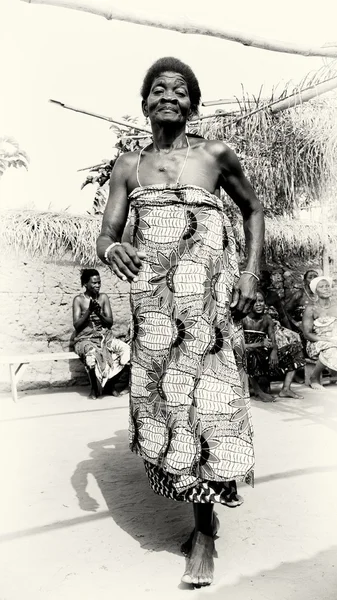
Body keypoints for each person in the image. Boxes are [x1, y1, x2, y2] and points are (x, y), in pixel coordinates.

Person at [96, 57, 264, 587]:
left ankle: (205, 538)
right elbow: (106, 234)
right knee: (171, 407)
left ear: (194, 103)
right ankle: (202, 518)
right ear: (144, 102)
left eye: (181, 90)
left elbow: (254, 210)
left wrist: (249, 274)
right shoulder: (128, 165)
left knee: (210, 405)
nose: (169, 96)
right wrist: (112, 248)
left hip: (208, 311)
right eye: (158, 89)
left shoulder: (214, 155)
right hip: (154, 314)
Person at [73, 269, 130, 399]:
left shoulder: (103, 298)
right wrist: (89, 311)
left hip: (105, 337)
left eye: (99, 282)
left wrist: (99, 313)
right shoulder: (79, 300)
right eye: (94, 283)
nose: (98, 285)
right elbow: (76, 325)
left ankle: (112, 385)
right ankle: (94, 388)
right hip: (85, 339)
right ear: (85, 284)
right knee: (92, 355)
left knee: (126, 350)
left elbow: (109, 322)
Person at [243, 291, 305, 401]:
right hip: (250, 353)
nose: (258, 304)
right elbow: (239, 346)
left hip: (264, 353)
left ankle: (286, 388)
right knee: (250, 353)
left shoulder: (267, 319)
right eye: (254, 302)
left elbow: (272, 340)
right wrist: (259, 344)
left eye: (261, 301)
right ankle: (258, 391)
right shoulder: (243, 319)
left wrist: (274, 351)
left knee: (295, 348)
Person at [302, 276, 337, 390]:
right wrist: (327, 339)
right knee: (331, 347)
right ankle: (314, 377)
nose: (326, 289)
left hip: (334, 339)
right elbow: (307, 334)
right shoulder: (311, 309)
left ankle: (335, 374)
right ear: (316, 291)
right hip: (315, 343)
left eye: (327, 286)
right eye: (321, 287)